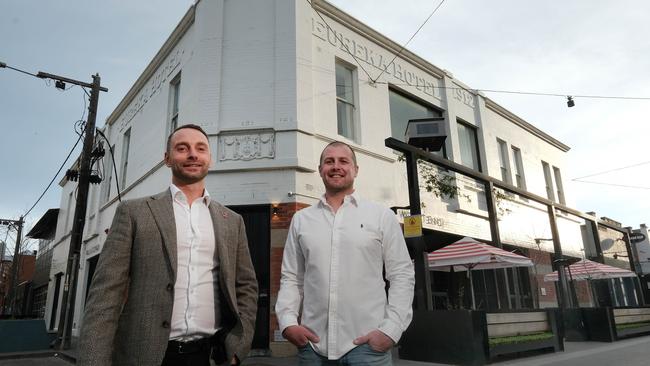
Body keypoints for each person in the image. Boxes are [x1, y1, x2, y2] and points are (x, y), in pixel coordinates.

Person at [78, 124, 258, 366]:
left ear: (210, 159)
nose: (193, 154)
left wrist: (238, 347)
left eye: (200, 148)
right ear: (167, 159)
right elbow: (105, 295)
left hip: (210, 356)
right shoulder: (134, 212)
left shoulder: (232, 221)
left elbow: (246, 286)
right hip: (144, 356)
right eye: (182, 148)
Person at [275, 141, 415, 365]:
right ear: (320, 169)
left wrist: (391, 330)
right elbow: (291, 277)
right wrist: (288, 323)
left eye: (343, 161)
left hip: (368, 348)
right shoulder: (301, 219)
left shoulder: (381, 216)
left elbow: (401, 274)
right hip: (313, 346)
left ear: (356, 170)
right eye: (329, 161)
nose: (336, 166)